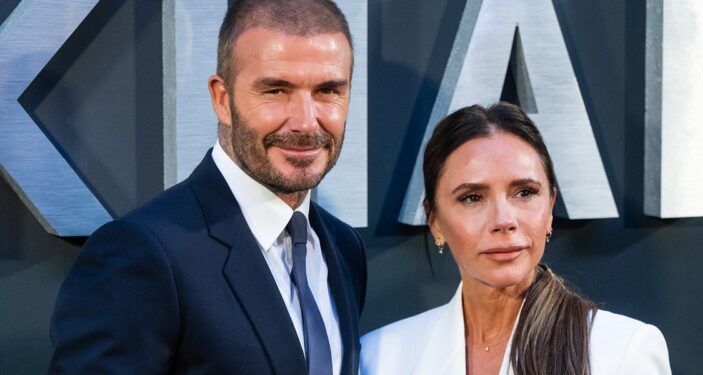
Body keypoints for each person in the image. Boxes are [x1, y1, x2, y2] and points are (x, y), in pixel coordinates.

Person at [49, 1, 366, 374]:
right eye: (276, 90)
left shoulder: (343, 247)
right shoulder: (142, 254)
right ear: (222, 99)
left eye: (328, 91)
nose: (305, 121)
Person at [360, 102, 671, 375]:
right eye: (472, 198)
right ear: (435, 221)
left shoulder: (623, 352)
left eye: (525, 193)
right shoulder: (380, 357)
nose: (503, 220)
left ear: (550, 208)